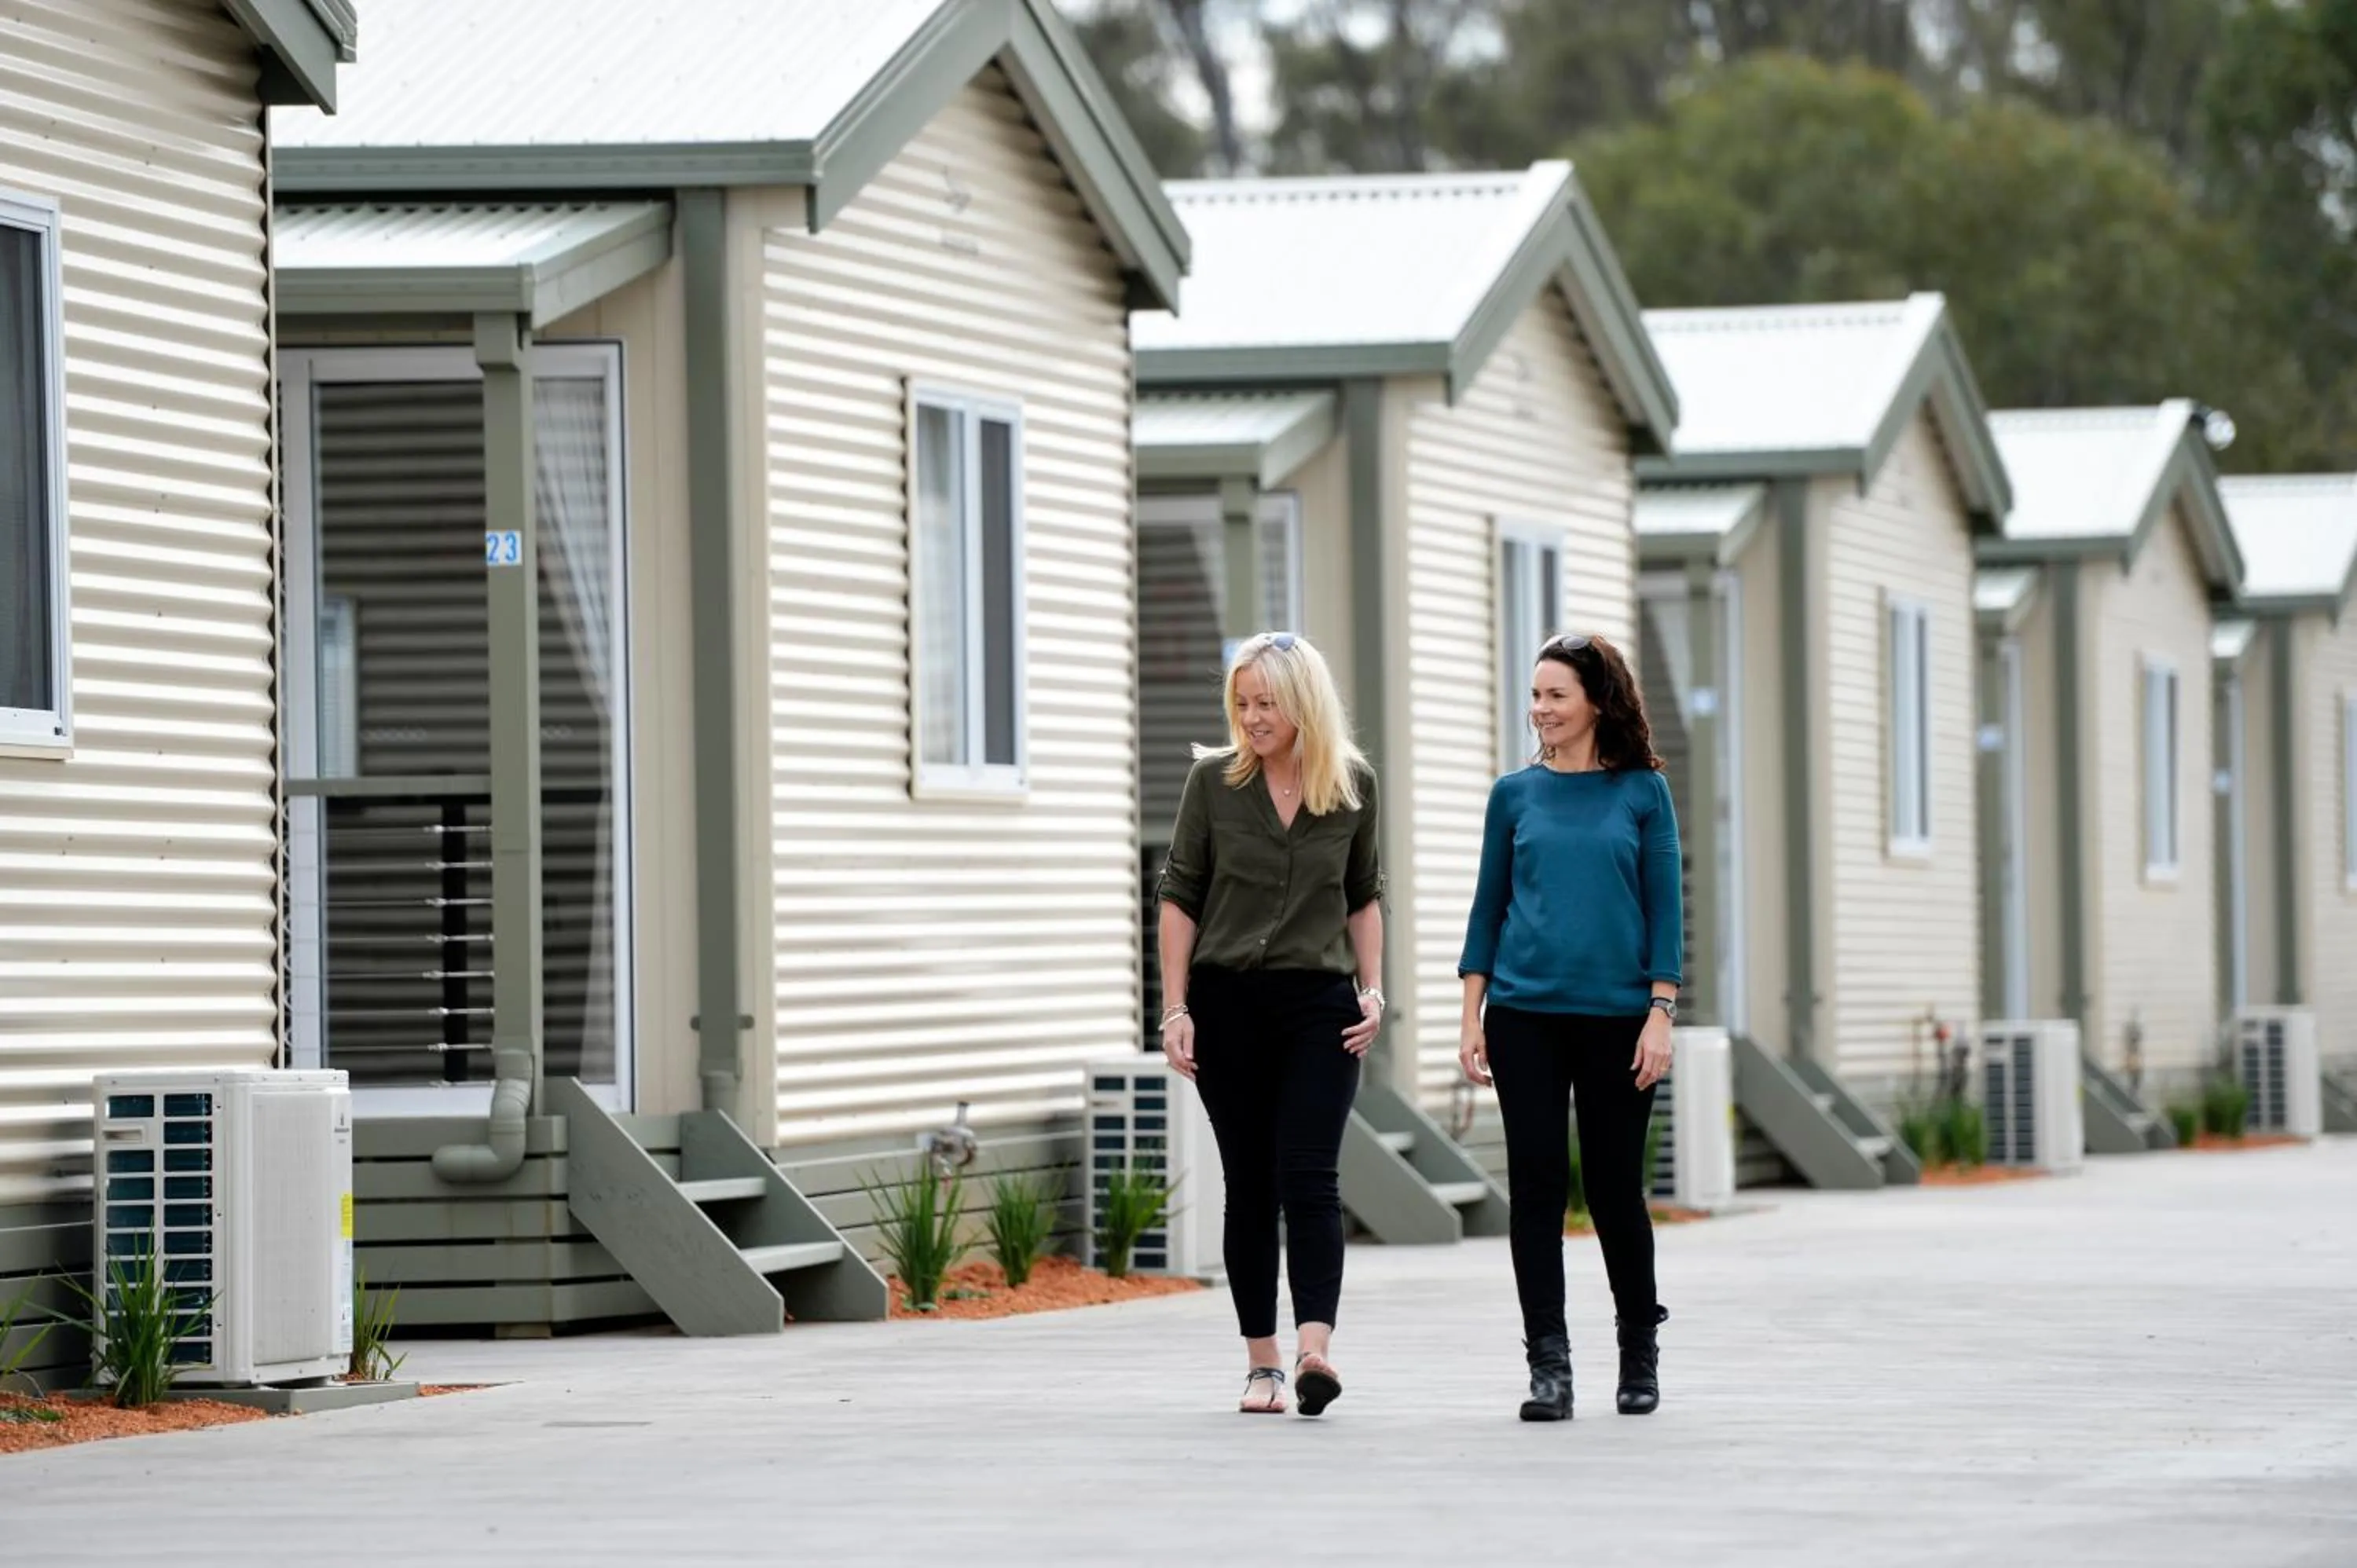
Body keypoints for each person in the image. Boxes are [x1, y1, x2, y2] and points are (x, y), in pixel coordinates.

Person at [1156, 631, 1385, 1418]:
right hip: (1227, 1005)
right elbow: (1181, 896)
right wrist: (1176, 1006)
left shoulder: (1352, 785)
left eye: (1267, 703)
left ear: (1303, 703)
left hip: (1322, 1004)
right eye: (1243, 703)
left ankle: (1315, 1347)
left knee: (1310, 1177)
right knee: (1250, 1184)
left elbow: (1363, 895)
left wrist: (1376, 991)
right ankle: (1263, 1365)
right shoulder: (1211, 783)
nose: (1252, 717)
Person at [1457, 631, 1681, 1423]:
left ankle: (1638, 1350)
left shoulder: (1643, 794)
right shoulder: (1513, 795)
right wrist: (1471, 1013)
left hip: (1622, 1019)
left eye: (1555, 695)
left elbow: (1665, 910)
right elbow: (1489, 908)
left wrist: (1661, 1010)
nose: (1540, 709)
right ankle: (1548, 1366)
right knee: (1537, 1189)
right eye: (1535, 695)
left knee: (1617, 1191)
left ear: (1596, 701)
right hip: (1525, 1016)